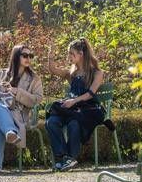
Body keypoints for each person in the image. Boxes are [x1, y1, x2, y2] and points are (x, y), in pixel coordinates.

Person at [0, 44, 43, 174]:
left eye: (30, 56)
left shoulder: (34, 79)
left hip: (17, 114)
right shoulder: (3, 73)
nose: (28, 58)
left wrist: (17, 92)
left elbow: (37, 100)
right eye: (25, 55)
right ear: (16, 56)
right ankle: (10, 132)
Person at [45, 38, 108, 171]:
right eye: (69, 53)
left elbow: (90, 94)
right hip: (71, 108)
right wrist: (50, 56)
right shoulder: (72, 73)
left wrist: (73, 101)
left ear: (81, 54)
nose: (69, 56)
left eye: (72, 53)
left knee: (74, 123)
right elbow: (53, 70)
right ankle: (63, 158)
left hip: (88, 110)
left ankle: (69, 158)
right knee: (51, 121)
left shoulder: (97, 73)